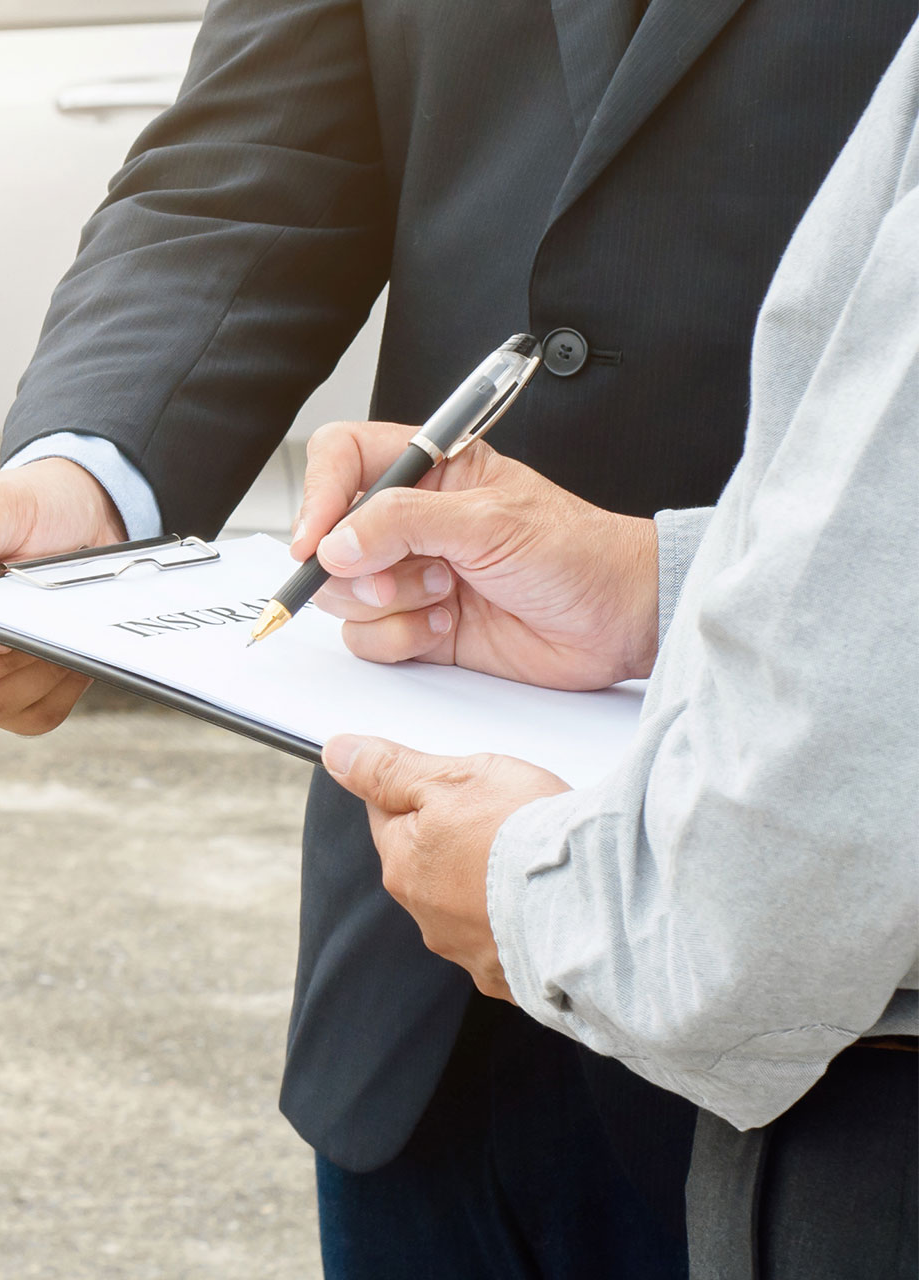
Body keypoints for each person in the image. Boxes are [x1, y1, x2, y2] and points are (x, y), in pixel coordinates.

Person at [0, 2, 917, 1275]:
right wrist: (92, 484)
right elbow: (252, 163)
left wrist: (668, 576)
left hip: (845, 1023)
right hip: (416, 963)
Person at [292, 19, 919, 1273]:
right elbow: (250, 155)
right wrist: (655, 581)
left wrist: (560, 903)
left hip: (824, 1062)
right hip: (415, 1000)